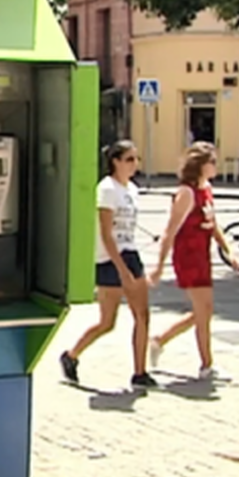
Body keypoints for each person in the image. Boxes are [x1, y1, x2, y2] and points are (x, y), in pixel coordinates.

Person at [60, 141, 157, 389]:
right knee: (107, 322)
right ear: (115, 161)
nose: (134, 164)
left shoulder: (132, 189)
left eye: (136, 159)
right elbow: (106, 233)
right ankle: (71, 355)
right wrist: (121, 269)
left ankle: (140, 372)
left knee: (143, 315)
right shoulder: (106, 189)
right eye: (129, 159)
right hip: (109, 258)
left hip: (131, 253)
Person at [148, 141, 236, 379]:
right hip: (188, 255)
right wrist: (158, 267)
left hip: (202, 254)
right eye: (212, 162)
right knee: (204, 309)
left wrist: (227, 249)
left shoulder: (206, 188)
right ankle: (207, 365)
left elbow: (212, 223)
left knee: (203, 311)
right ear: (200, 165)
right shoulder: (186, 193)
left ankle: (159, 340)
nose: (216, 166)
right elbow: (170, 231)